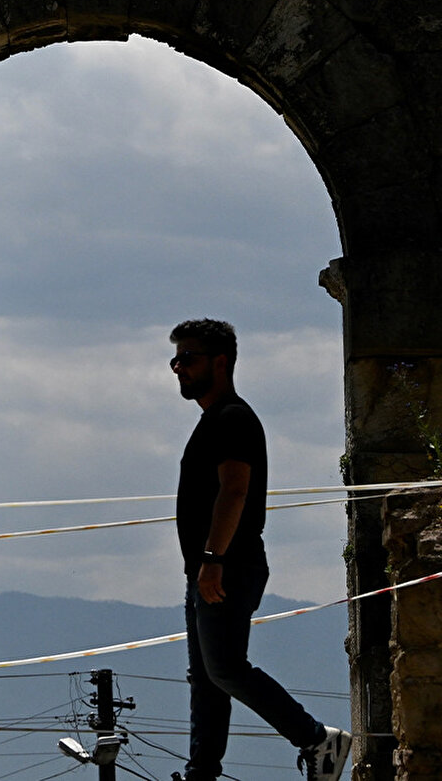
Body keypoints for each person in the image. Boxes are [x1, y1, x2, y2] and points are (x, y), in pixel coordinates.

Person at [168, 318, 351, 780]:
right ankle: (201, 773)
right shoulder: (214, 420)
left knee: (225, 669)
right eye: (175, 359)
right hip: (208, 569)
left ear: (221, 362)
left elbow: (235, 490)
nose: (177, 368)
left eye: (187, 358)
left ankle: (315, 738)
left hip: (227, 565)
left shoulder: (232, 417)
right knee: (208, 679)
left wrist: (213, 560)